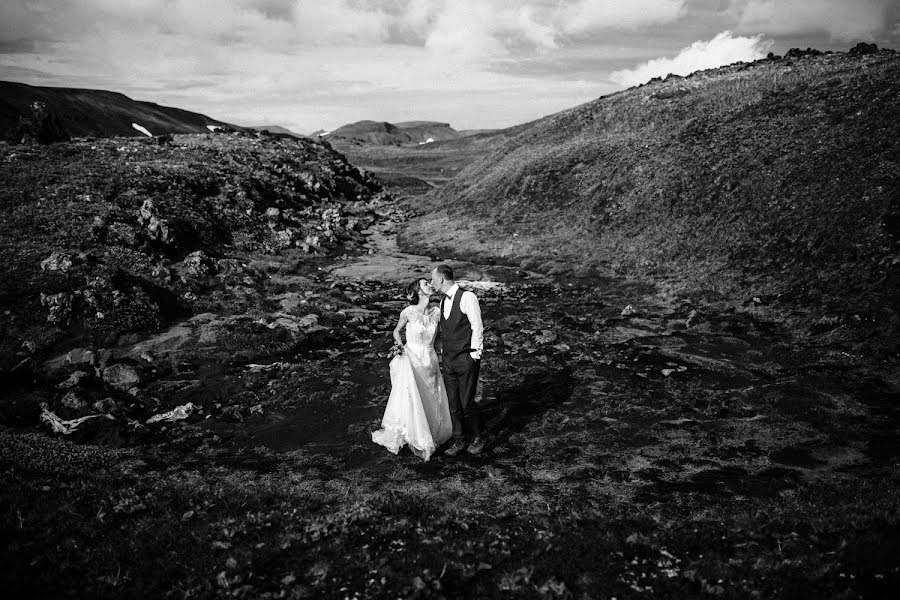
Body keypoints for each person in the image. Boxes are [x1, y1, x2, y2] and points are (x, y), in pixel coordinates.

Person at [372, 278, 452, 461]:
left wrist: (444, 353)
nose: (430, 286)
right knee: (413, 396)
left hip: (429, 358)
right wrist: (400, 347)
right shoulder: (408, 312)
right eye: (425, 284)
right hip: (412, 358)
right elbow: (396, 331)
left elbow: (438, 338)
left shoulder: (437, 312)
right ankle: (415, 434)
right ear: (419, 292)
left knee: (431, 395)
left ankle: (432, 431)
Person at [431, 265, 485, 455]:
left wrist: (474, 355)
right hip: (448, 360)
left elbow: (477, 326)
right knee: (452, 402)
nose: (432, 283)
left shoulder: (467, 297)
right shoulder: (442, 301)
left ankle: (477, 437)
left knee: (466, 401)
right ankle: (459, 439)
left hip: (466, 358)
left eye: (433, 279)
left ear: (442, 279)